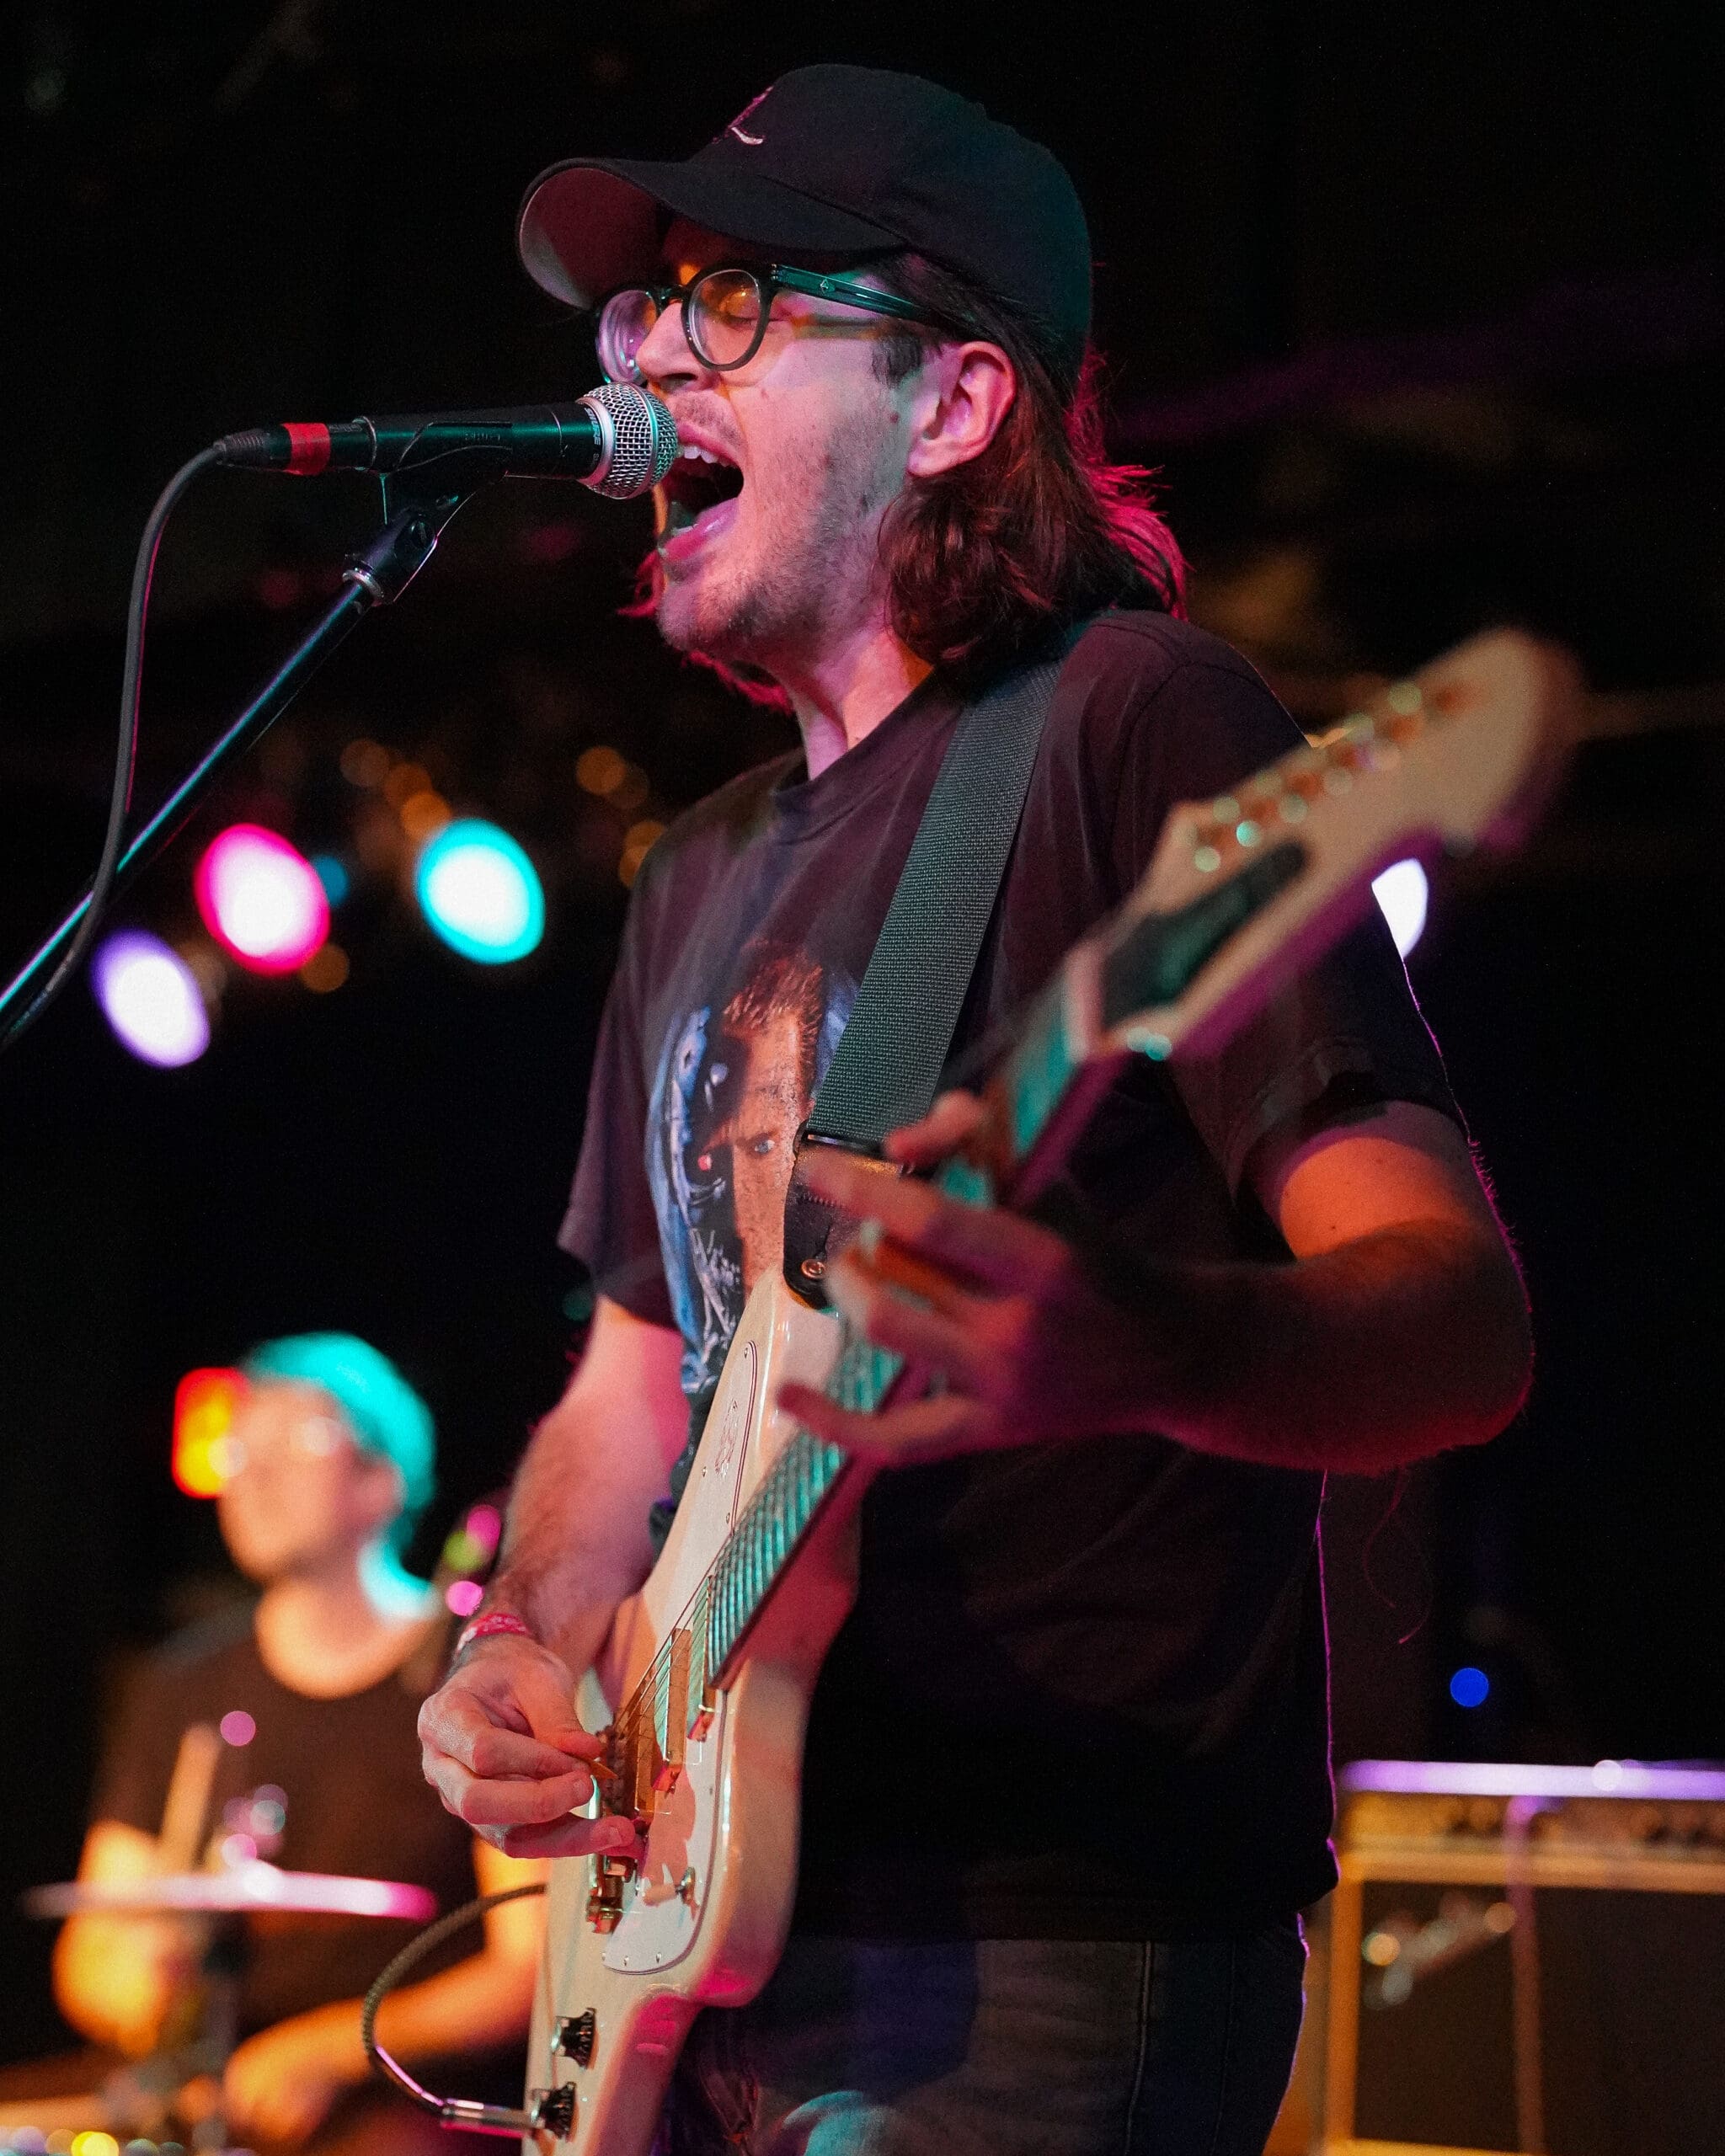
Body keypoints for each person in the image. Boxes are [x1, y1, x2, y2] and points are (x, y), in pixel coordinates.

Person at [417, 66, 1533, 2156]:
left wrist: (1138, 1342)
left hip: (1031, 1950)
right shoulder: (697, 869)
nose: (648, 351)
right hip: (679, 1924)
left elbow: (1455, 1319)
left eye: (731, 301)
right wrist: (519, 1639)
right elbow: (628, 1387)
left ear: (952, 403)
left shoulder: (1135, 721)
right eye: (639, 314)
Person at [51, 1335, 542, 2154]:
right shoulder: (183, 1684)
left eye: (297, 1440)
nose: (253, 1471)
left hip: (403, 2102)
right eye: (239, 1446)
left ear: (380, 1479)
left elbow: (529, 1965)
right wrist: (143, 1996)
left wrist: (327, 2050)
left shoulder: (476, 1672)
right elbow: (94, 1944)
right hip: (216, 2093)